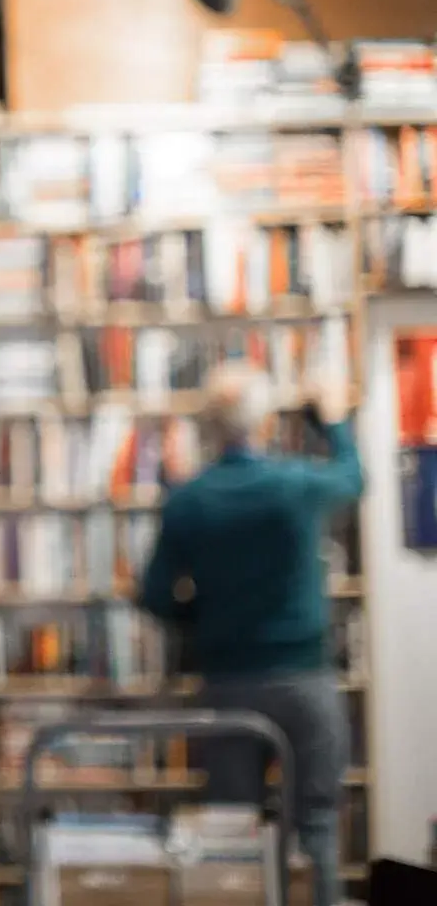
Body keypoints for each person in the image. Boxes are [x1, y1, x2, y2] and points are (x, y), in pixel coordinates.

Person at [138, 363, 363, 906]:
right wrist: (331, 423)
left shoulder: (189, 500)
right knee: (317, 824)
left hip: (228, 684)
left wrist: (207, 621)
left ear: (208, 428)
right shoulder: (293, 484)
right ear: (263, 422)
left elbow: (155, 596)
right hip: (304, 678)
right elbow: (354, 480)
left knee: (233, 835)